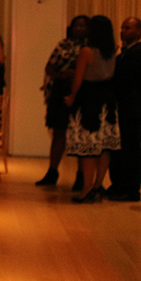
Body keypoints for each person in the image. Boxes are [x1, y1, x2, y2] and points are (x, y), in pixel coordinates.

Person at [65, 15, 121, 203]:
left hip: (89, 101)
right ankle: (98, 185)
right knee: (104, 147)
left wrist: (71, 97)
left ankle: (86, 189)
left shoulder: (86, 51)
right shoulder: (112, 50)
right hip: (108, 101)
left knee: (89, 148)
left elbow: (79, 80)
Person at [36, 16, 90, 189]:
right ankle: (52, 171)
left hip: (82, 93)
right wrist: (64, 75)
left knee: (81, 134)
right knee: (59, 132)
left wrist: (78, 74)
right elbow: (49, 67)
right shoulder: (63, 45)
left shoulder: (91, 48)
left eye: (83, 25)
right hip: (60, 92)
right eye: (76, 25)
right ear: (71, 28)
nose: (80, 28)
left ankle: (81, 175)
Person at [107, 17, 141, 202]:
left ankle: (131, 189)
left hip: (133, 108)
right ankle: (118, 184)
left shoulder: (139, 52)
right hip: (121, 107)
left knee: (131, 149)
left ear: (138, 31)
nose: (123, 31)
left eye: (127, 28)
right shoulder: (122, 54)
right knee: (118, 147)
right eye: (122, 28)